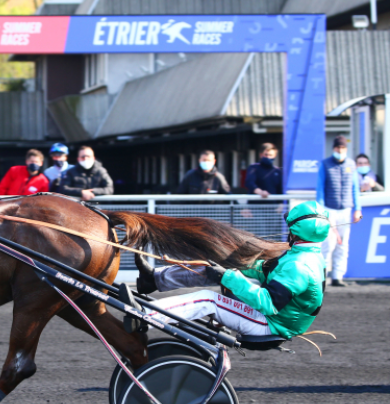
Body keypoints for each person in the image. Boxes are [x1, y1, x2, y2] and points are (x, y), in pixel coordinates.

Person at [134, 201, 329, 339]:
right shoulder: (304, 255)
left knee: (208, 299)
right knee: (217, 267)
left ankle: (146, 316)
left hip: (271, 324)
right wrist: (231, 266)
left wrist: (228, 276)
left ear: (295, 232)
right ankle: (154, 279)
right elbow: (267, 272)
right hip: (275, 317)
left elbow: (267, 303)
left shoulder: (300, 265)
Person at [316, 135, 362, 287]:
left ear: (346, 149)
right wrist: (322, 211)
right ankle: (322, 277)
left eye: (343, 148)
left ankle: (337, 276)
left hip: (346, 210)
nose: (340, 150)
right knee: (328, 244)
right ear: (333, 148)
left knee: (343, 245)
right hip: (329, 209)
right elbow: (320, 189)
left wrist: (358, 208)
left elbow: (355, 189)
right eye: (338, 147)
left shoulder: (351, 164)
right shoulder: (325, 164)